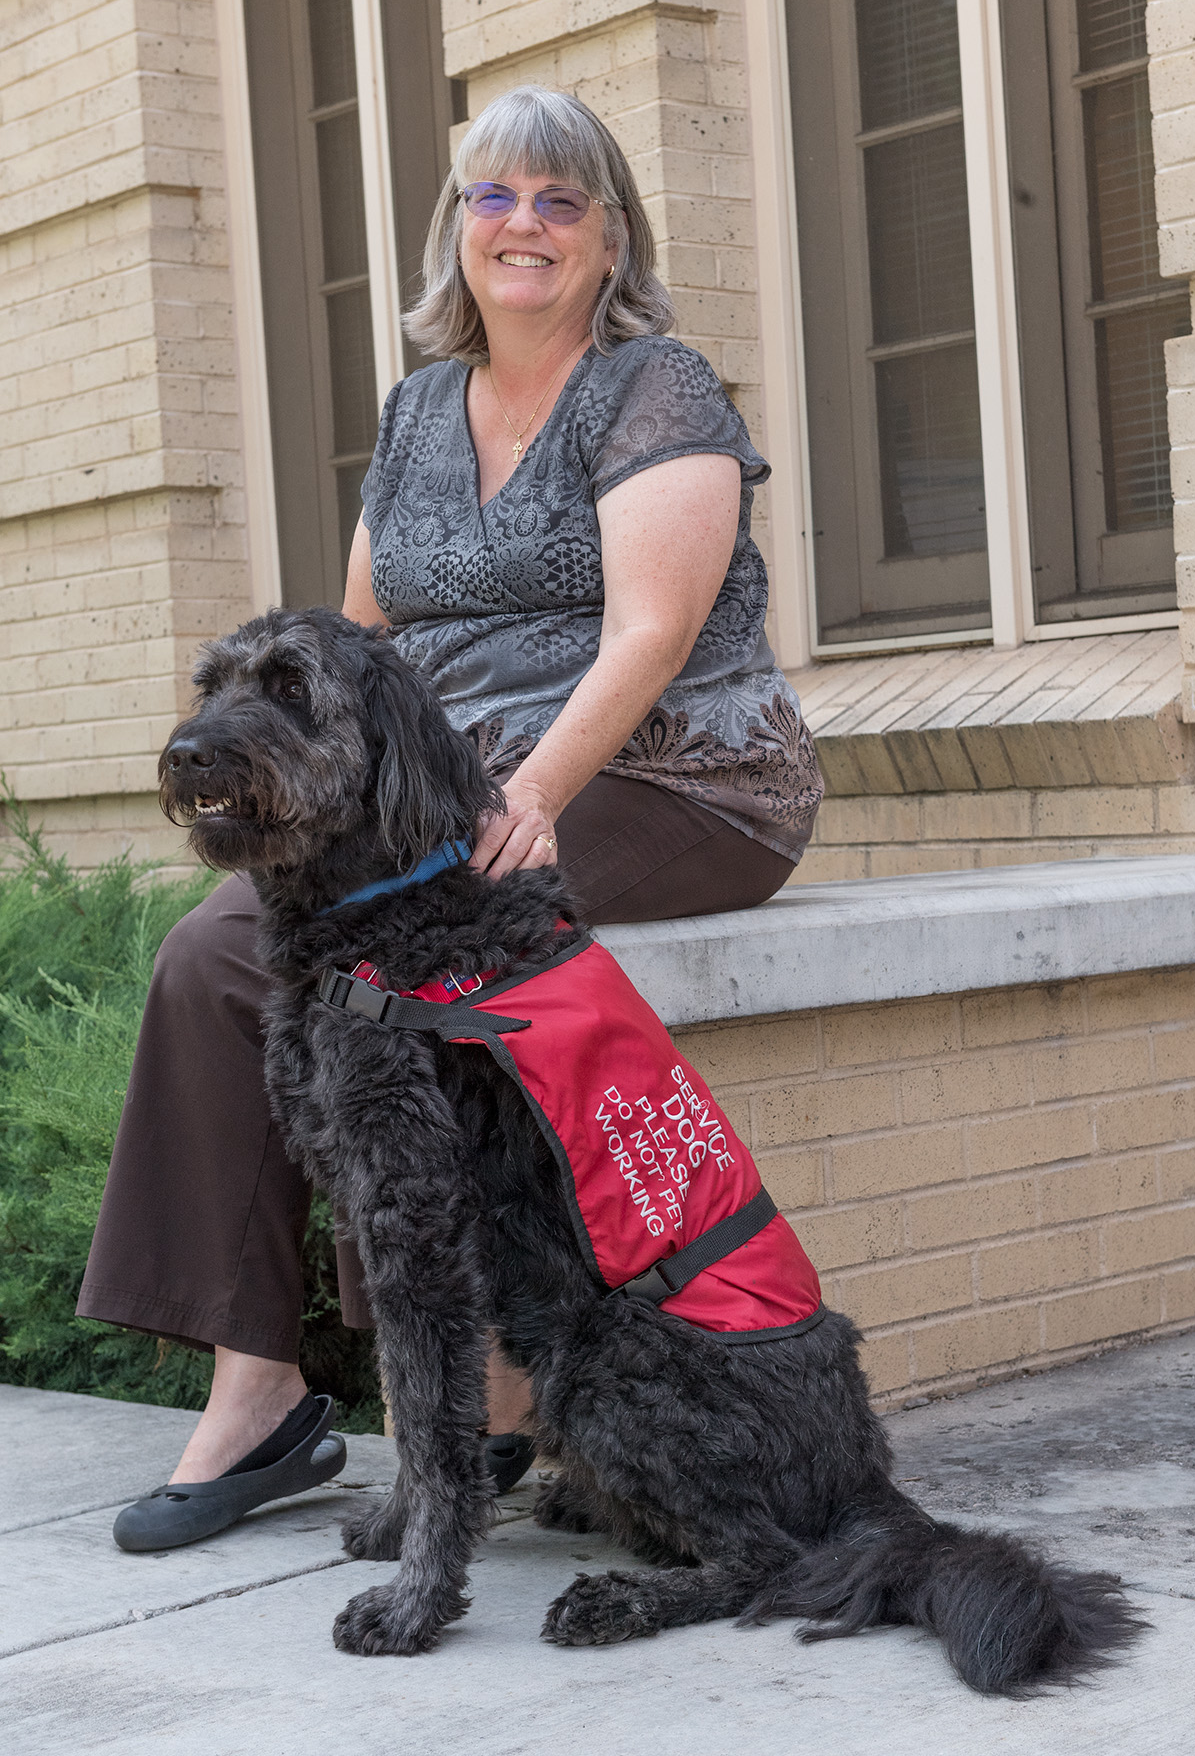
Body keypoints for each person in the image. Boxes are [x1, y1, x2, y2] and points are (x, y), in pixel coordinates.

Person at [83, 86, 824, 1547]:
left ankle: (480, 1401)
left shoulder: (654, 389)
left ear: (612, 238)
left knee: (404, 976)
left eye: (563, 199)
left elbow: (652, 634)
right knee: (215, 956)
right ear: (458, 233)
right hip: (445, 791)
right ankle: (264, 1394)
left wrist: (534, 795)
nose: (526, 225)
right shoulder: (420, 408)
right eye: (497, 198)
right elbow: (353, 644)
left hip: (673, 774)